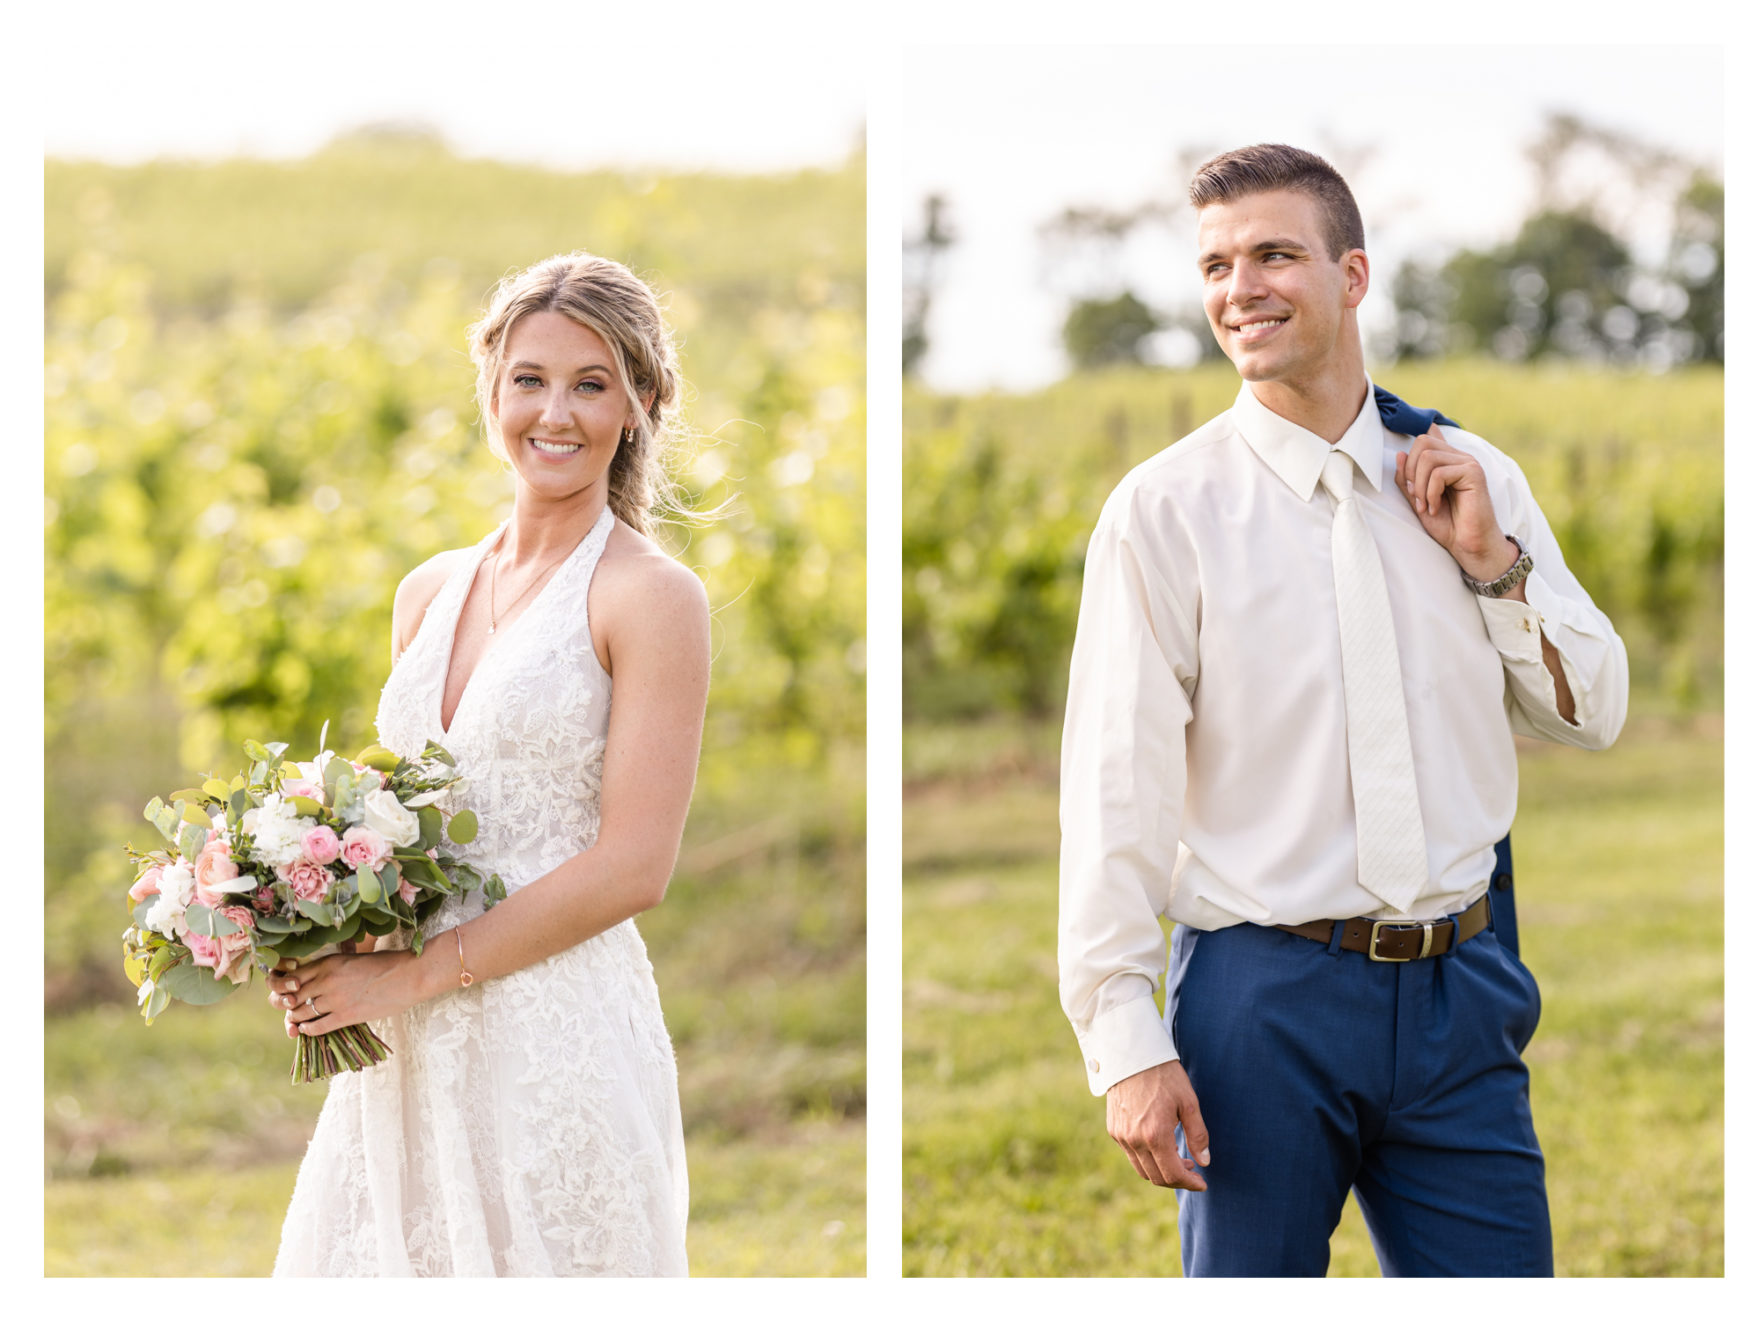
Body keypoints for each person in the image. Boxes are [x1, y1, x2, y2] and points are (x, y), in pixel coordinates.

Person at [1057, 145, 1627, 1277]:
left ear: (1352, 275)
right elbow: (1116, 790)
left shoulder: (1467, 477)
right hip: (1260, 1004)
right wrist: (1122, 1042)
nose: (1239, 289)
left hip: (1461, 997)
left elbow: (1592, 715)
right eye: (1215, 264)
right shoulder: (1163, 514)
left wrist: (1491, 565)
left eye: (1273, 254)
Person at [265, 252, 710, 1276]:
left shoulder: (649, 598)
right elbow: (396, 819)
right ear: (490, 387)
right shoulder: (425, 592)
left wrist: (410, 977)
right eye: (529, 379)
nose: (555, 413)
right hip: (404, 1048)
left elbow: (635, 864)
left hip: (553, 1037)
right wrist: (306, 917)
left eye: (590, 385)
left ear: (640, 406)